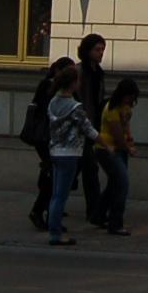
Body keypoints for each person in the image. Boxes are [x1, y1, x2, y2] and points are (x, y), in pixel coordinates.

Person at [44, 63, 101, 247]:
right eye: (78, 81)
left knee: (55, 194)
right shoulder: (75, 107)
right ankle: (55, 233)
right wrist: (104, 141)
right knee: (61, 195)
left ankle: (53, 228)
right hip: (69, 153)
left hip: (54, 150)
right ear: (73, 83)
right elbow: (88, 129)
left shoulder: (53, 102)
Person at [23, 54, 72, 232]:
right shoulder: (49, 87)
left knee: (52, 173)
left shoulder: (59, 88)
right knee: (52, 174)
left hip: (50, 137)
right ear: (58, 71)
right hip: (45, 137)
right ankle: (39, 210)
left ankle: (50, 211)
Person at [92, 77, 139, 236]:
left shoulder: (125, 107)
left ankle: (98, 215)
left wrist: (129, 137)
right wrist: (128, 148)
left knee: (114, 183)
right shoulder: (111, 109)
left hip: (118, 149)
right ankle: (115, 223)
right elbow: (117, 134)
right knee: (122, 184)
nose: (130, 100)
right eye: (129, 96)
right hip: (107, 149)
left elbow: (125, 126)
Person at [76, 33, 109, 227]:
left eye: (102, 49)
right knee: (89, 168)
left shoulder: (99, 72)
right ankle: (94, 211)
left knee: (88, 168)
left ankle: (94, 211)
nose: (101, 53)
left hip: (94, 125)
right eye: (97, 49)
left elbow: (99, 99)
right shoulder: (80, 71)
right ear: (87, 50)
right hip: (81, 126)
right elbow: (78, 98)